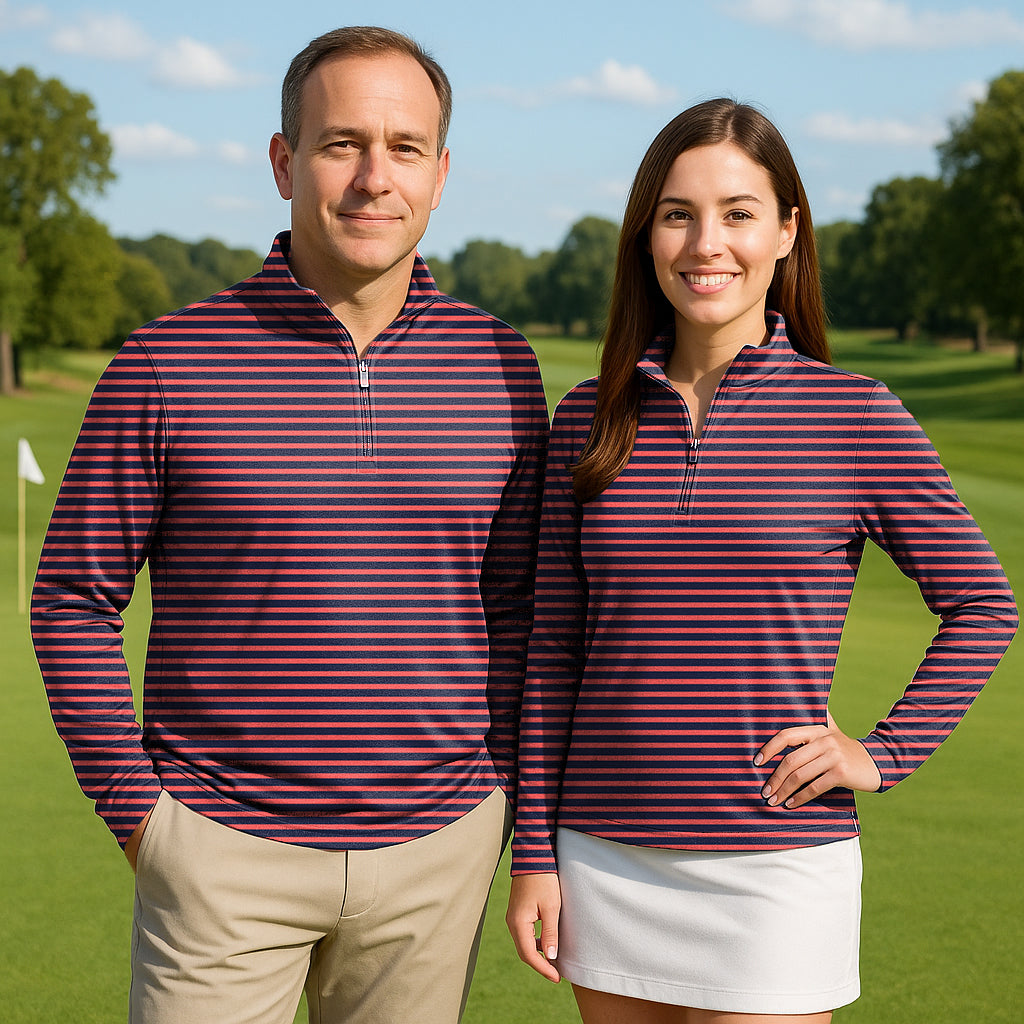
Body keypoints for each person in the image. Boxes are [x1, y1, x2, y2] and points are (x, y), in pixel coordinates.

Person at [32, 26, 548, 1024]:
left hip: (434, 857)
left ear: (440, 175)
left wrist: (497, 800)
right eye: (339, 142)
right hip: (219, 854)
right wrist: (144, 822)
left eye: (404, 149)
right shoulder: (168, 361)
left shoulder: (501, 363)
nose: (372, 178)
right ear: (284, 161)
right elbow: (73, 597)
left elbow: (519, 603)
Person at [505, 98, 1017, 1024]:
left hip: (777, 860)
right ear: (646, 235)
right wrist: (535, 855)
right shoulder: (586, 417)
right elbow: (552, 656)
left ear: (786, 232)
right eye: (678, 213)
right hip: (605, 853)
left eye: (739, 213)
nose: (708, 243)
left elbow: (984, 604)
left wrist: (885, 752)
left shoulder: (854, 415)